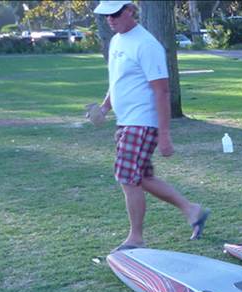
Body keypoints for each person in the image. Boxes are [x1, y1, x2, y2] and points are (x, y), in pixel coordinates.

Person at [89, 1, 209, 251]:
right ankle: (192, 210)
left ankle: (136, 238)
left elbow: (162, 91)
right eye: (107, 15)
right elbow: (118, 81)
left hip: (141, 123)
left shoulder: (147, 44)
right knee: (141, 178)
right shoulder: (116, 41)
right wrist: (104, 108)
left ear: (130, 11)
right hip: (126, 122)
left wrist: (164, 135)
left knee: (127, 179)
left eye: (115, 14)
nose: (110, 19)